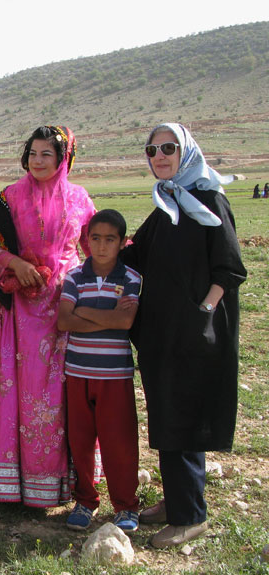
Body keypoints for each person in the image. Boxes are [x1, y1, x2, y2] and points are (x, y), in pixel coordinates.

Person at [122, 123, 246, 548]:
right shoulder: (168, 201)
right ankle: (176, 504)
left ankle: (191, 515)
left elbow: (228, 269)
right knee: (167, 412)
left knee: (186, 417)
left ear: (186, 151)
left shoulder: (209, 199)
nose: (159, 156)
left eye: (168, 148)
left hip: (194, 332)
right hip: (163, 332)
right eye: (152, 150)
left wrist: (202, 314)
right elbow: (138, 254)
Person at [0, 126, 96, 507]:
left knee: (57, 393)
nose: (37, 161)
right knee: (14, 388)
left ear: (63, 159)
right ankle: (11, 481)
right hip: (17, 311)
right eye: (32, 153)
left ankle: (59, 480)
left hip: (62, 310)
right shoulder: (9, 198)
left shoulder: (79, 199)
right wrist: (16, 263)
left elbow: (92, 246)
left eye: (46, 155)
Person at [57, 209, 141, 532]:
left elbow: (125, 322)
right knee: (80, 439)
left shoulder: (131, 278)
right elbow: (64, 321)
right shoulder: (74, 276)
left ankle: (125, 505)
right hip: (78, 372)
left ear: (121, 242)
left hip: (115, 376)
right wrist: (106, 317)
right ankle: (85, 500)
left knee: (118, 440)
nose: (102, 247)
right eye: (95, 239)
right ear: (86, 240)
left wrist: (84, 311)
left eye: (110, 240)